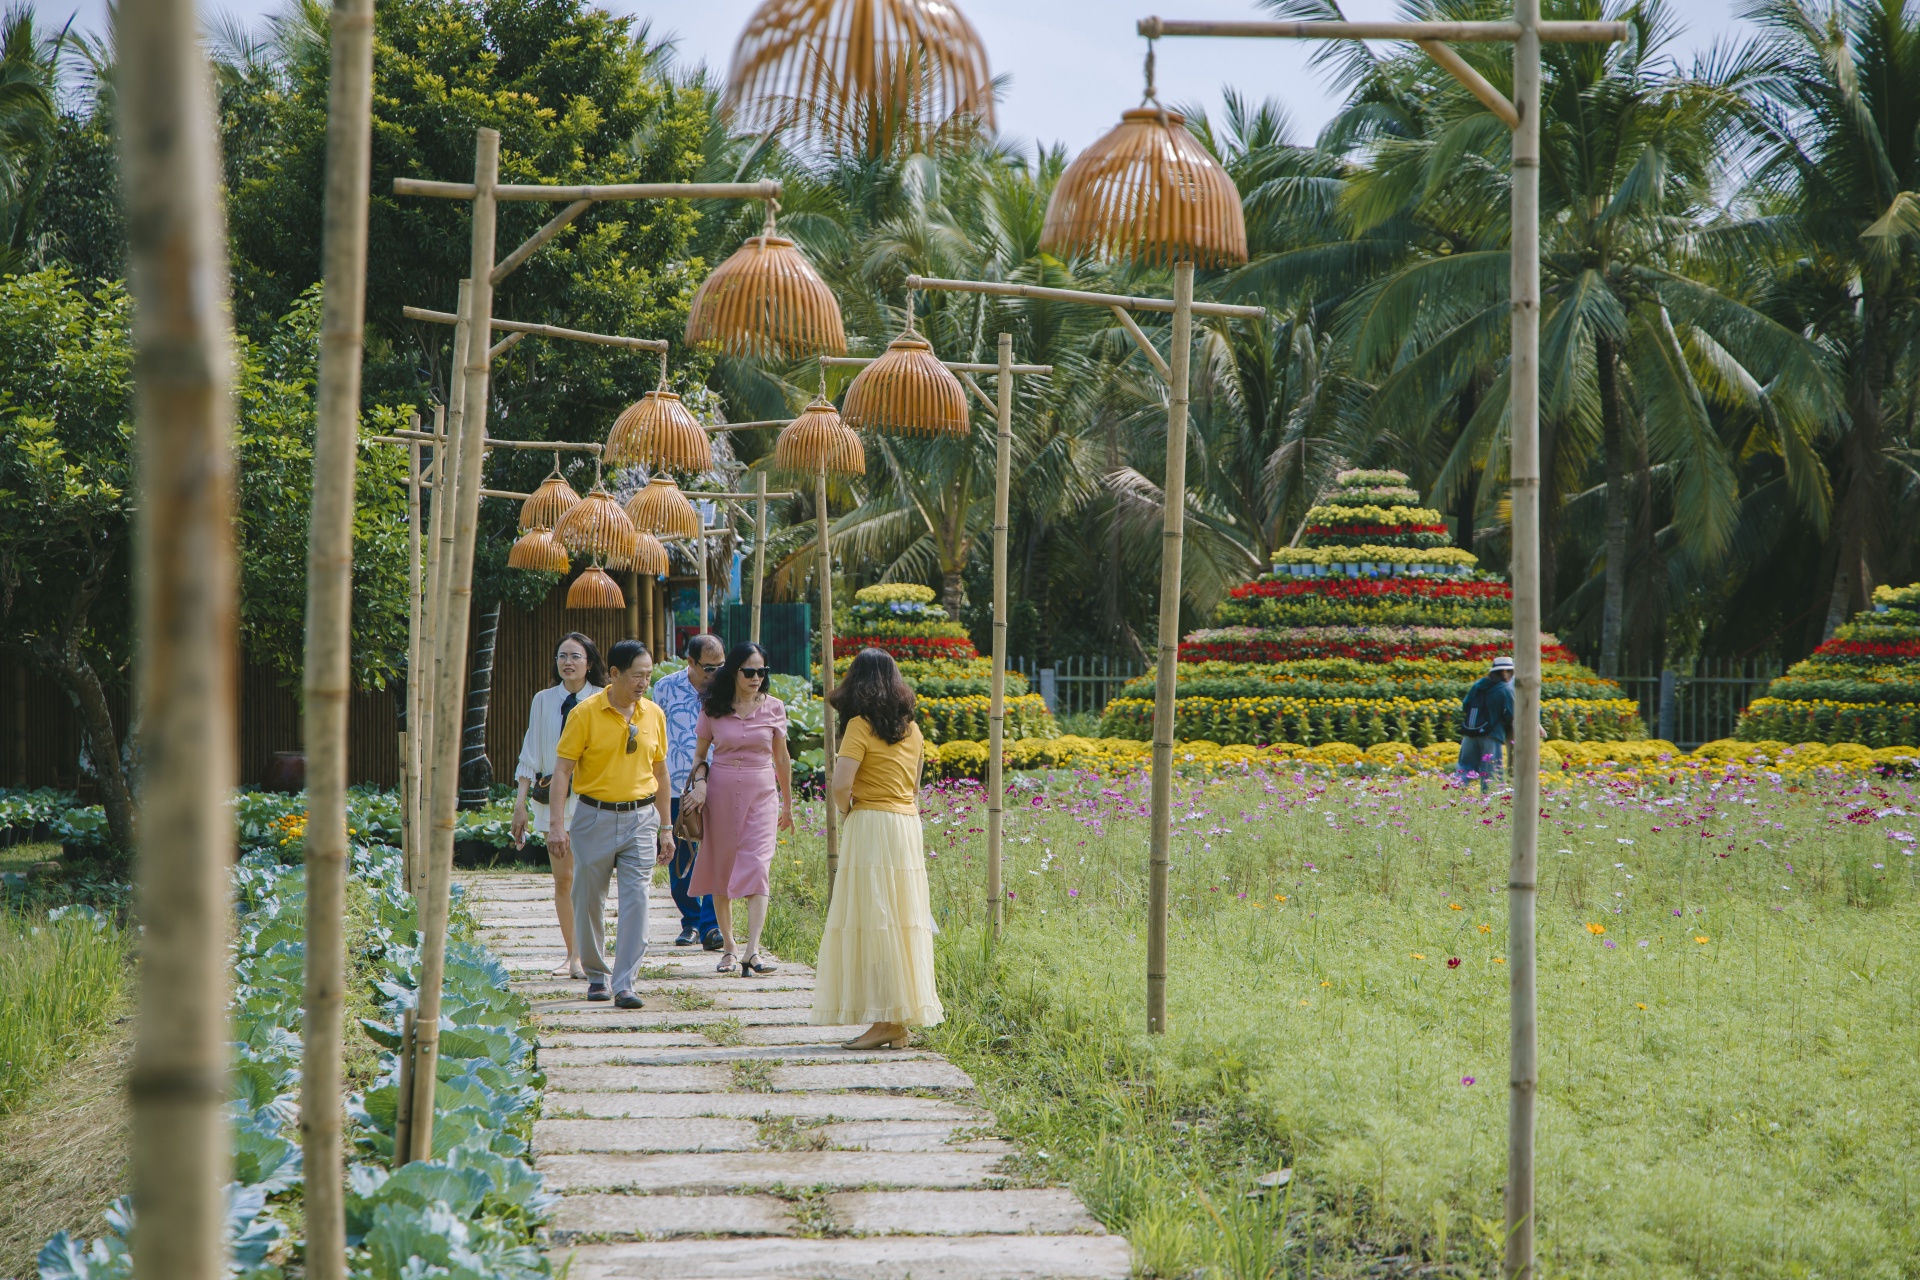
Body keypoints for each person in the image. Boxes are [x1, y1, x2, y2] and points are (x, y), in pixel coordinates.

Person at [809, 648, 942, 1049]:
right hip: (905, 826)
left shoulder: (858, 726)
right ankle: (896, 1019)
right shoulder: (913, 730)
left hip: (872, 823)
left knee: (874, 917)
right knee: (901, 920)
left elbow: (840, 784)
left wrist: (850, 813)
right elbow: (914, 788)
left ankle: (888, 1021)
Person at [548, 639, 672, 1009]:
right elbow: (562, 771)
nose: (643, 683)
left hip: (642, 818)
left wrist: (667, 827)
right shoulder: (584, 713)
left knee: (638, 900)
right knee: (588, 899)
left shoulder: (653, 714)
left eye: (648, 676)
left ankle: (625, 983)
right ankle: (597, 975)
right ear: (614, 674)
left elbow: (661, 772)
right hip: (593, 817)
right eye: (637, 676)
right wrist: (557, 824)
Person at [688, 642, 793, 977]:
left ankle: (753, 950)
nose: (756, 678)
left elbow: (782, 759)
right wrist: (700, 783)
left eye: (762, 672)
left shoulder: (775, 707)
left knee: (758, 866)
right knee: (722, 867)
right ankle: (730, 949)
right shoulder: (713, 707)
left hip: (761, 795)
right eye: (749, 671)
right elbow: (700, 756)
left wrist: (788, 803)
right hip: (719, 793)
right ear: (733, 672)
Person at [509, 633, 605, 978]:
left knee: (589, 880)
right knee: (563, 879)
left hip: (595, 802)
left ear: (589, 663)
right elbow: (530, 753)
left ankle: (593, 953)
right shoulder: (543, 700)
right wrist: (519, 805)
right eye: (562, 655)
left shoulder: (602, 699)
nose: (568, 662)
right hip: (553, 801)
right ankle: (573, 955)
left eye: (576, 656)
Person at [650, 633, 724, 950]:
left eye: (721, 666)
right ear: (690, 662)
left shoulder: (727, 689)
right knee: (680, 859)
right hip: (677, 786)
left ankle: (711, 925)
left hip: (718, 784)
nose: (716, 674)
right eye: (709, 668)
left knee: (716, 856)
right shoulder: (665, 688)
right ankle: (690, 921)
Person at [1458, 655, 1518, 793]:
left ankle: (1455, 795)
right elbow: (1511, 714)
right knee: (1490, 772)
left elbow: (1466, 705)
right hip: (1491, 734)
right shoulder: (1505, 689)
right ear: (1506, 672)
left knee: (1465, 766)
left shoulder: (1478, 685)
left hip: (1470, 733)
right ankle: (1489, 803)